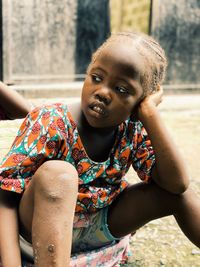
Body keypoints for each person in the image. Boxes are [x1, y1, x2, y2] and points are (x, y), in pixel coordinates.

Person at [0, 31, 200, 267]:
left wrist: (149, 114)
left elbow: (177, 184)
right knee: (59, 174)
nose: (103, 93)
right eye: (96, 77)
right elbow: (5, 197)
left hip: (98, 229)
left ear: (141, 101)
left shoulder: (133, 128)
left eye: (122, 90)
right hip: (36, 231)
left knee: (180, 194)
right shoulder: (50, 121)